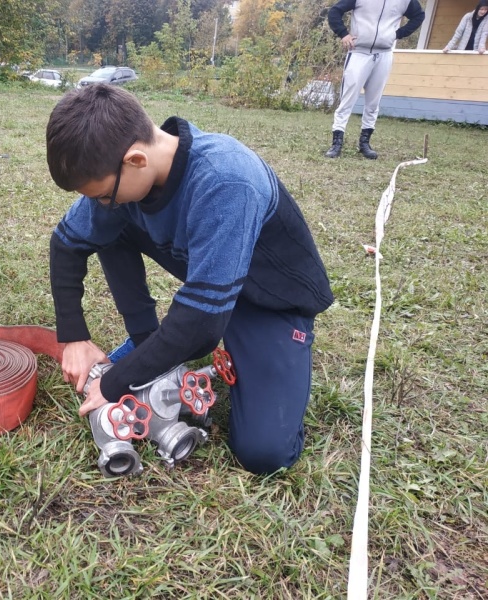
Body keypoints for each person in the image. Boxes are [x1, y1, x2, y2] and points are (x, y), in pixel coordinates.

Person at [46, 84, 334, 475]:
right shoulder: (126, 178)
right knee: (111, 226)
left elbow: (199, 327)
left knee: (263, 452)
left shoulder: (226, 180)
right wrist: (74, 336)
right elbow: (67, 244)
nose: (98, 204)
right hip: (214, 283)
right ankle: (148, 340)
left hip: (271, 302)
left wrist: (114, 384)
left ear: (135, 159)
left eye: (101, 195)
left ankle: (274, 351)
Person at [324, 0, 425, 159]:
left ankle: (365, 143)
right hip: (359, 52)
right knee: (347, 99)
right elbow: (335, 11)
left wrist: (397, 34)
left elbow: (419, 16)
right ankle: (337, 142)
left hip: (384, 54)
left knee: (373, 101)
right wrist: (343, 33)